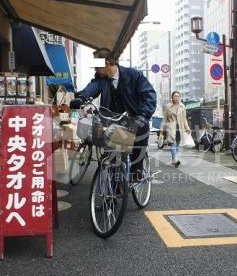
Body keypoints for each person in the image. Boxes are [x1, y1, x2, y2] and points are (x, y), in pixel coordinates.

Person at [69, 48, 157, 179]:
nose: (95, 69)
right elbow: (92, 88)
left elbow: (149, 94)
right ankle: (114, 188)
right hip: (112, 119)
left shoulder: (133, 75)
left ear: (107, 63)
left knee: (140, 131)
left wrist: (143, 113)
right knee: (112, 153)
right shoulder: (100, 78)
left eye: (97, 65)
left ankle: (137, 170)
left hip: (134, 117)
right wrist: (81, 98)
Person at [162, 91, 191, 167]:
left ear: (180, 97)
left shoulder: (182, 106)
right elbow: (164, 119)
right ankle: (176, 159)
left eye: (178, 96)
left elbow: (184, 118)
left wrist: (187, 128)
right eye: (175, 96)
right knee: (173, 144)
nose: (176, 98)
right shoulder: (168, 106)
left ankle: (173, 162)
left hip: (180, 128)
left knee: (177, 145)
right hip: (171, 128)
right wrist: (162, 129)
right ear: (172, 97)